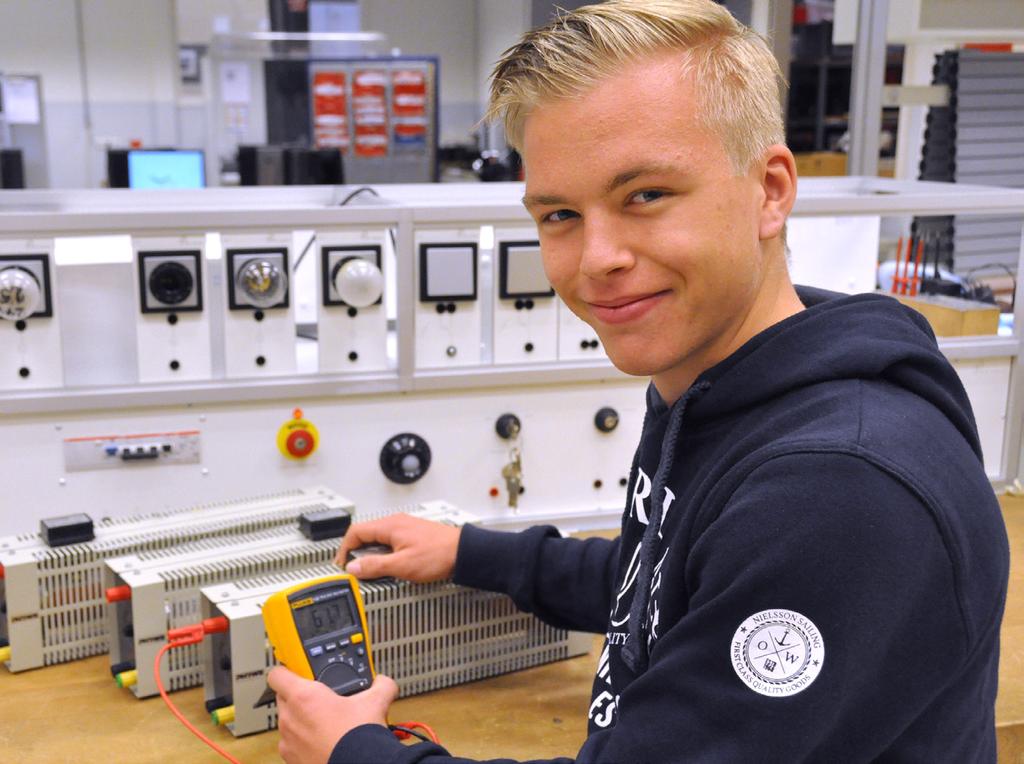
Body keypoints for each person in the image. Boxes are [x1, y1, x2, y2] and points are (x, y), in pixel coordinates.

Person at [267, 1, 1010, 761]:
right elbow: (666, 584)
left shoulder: (840, 490)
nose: (596, 259)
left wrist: (354, 751)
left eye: (645, 197)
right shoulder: (724, 383)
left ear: (771, 189)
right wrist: (476, 554)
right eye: (559, 214)